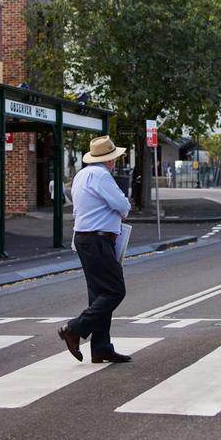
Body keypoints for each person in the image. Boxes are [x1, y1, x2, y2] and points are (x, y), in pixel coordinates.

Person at [58, 135, 133, 364]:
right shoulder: (102, 176)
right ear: (109, 159)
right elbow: (122, 205)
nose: (115, 162)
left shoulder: (81, 175)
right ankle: (74, 328)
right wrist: (122, 211)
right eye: (114, 158)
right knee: (115, 290)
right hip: (98, 240)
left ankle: (101, 347)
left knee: (98, 294)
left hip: (84, 238)